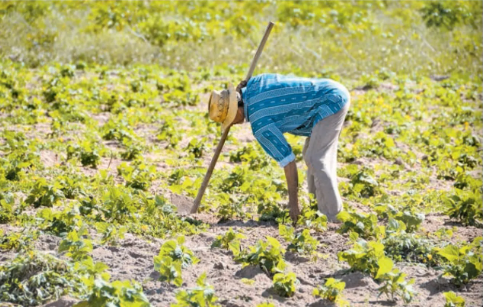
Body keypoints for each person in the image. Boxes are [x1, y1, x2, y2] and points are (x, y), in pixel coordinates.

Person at [207, 74, 350, 223]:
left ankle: (334, 217)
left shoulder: (260, 123)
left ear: (236, 110)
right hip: (330, 90)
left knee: (315, 159)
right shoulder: (254, 84)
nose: (232, 124)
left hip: (330, 102)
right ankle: (317, 210)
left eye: (229, 119)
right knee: (312, 154)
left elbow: (288, 161)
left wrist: (293, 204)